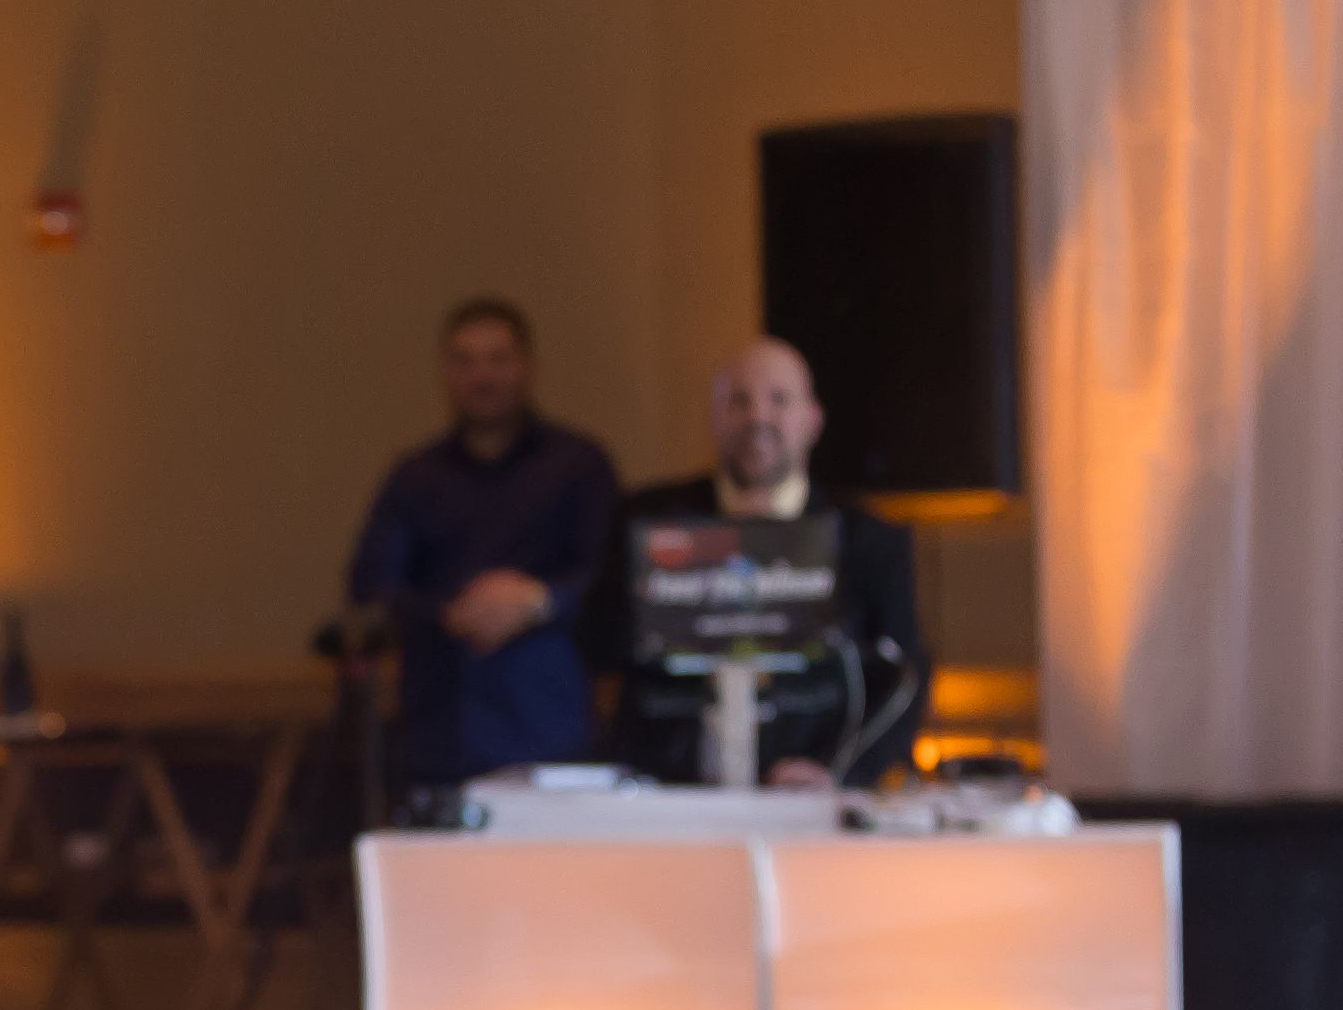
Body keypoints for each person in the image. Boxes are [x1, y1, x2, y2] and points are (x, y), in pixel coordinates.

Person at [590, 337, 926, 788]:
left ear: (813, 420)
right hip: (668, 794)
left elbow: (906, 678)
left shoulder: (867, 539)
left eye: (779, 400)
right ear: (714, 418)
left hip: (812, 799)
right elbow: (598, 645)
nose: (758, 417)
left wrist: (841, 771)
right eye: (739, 401)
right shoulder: (647, 521)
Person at [348, 296, 621, 791]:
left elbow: (613, 578)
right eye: (465, 361)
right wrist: (454, 613)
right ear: (446, 373)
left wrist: (537, 601)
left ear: (528, 366)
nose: (483, 376)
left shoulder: (579, 466)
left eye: (498, 359)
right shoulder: (415, 477)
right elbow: (371, 582)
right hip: (442, 732)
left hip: (550, 733)